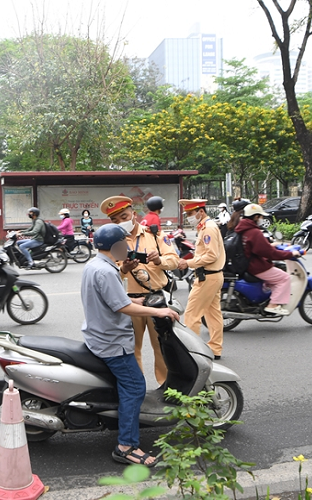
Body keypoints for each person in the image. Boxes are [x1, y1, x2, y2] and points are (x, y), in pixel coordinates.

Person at [81, 223, 179, 467]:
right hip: (112, 342)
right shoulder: (106, 271)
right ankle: (126, 446)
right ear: (116, 246)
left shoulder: (96, 265)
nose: (128, 247)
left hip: (98, 335)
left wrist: (137, 296)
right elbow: (122, 307)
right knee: (135, 387)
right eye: (124, 244)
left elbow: (112, 298)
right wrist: (158, 312)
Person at [100, 195, 180, 387]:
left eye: (124, 216)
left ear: (134, 214)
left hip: (156, 300)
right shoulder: (114, 244)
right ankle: (137, 388)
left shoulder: (155, 235)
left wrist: (159, 260)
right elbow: (107, 276)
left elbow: (175, 261)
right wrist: (124, 270)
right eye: (114, 220)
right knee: (131, 348)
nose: (121, 222)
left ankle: (165, 386)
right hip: (129, 302)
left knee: (161, 346)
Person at [177, 199, 226, 359]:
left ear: (201, 212)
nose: (189, 217)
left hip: (208, 277)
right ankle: (215, 348)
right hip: (213, 276)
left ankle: (193, 351)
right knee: (213, 314)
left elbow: (211, 255)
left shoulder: (208, 229)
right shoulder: (206, 227)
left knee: (192, 314)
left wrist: (188, 262)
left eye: (191, 213)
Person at [235, 205, 302, 316]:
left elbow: (257, 248)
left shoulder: (242, 229)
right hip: (256, 266)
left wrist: (271, 245)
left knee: (276, 274)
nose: (262, 219)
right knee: (284, 278)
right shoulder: (254, 232)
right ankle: (273, 305)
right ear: (256, 217)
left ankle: (267, 299)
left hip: (247, 263)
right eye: (261, 216)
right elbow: (269, 253)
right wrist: (289, 254)